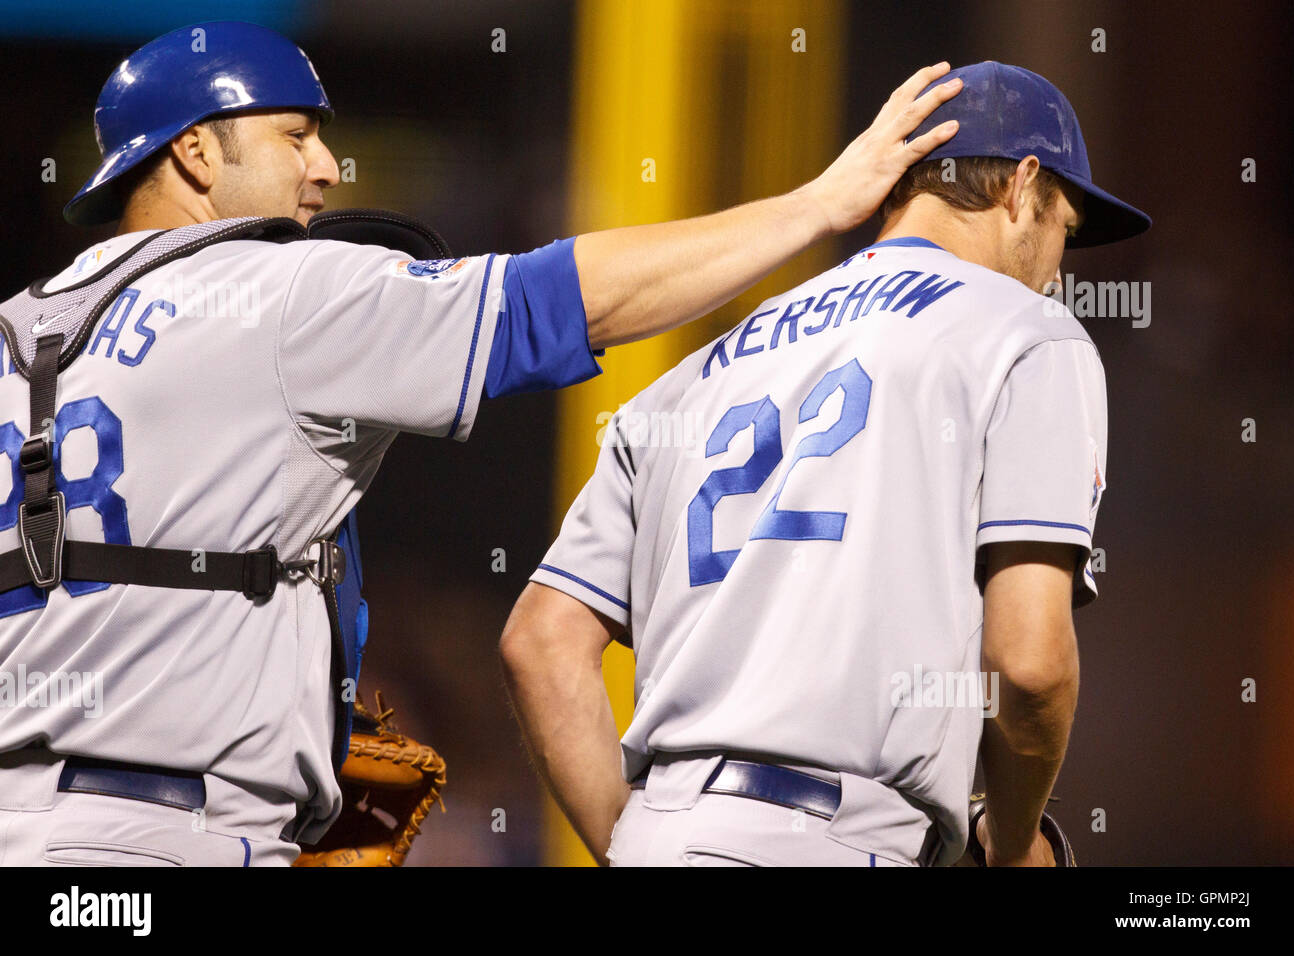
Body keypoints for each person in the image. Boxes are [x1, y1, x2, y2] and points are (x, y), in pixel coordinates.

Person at [0, 19, 962, 866]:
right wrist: (818, 207)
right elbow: (561, 303)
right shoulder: (276, 292)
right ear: (199, 153)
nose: (328, 167)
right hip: (166, 838)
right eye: (295, 135)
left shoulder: (14, 334)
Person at [500, 60, 1151, 867]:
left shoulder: (689, 377)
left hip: (663, 829)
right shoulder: (1024, 334)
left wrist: (638, 843)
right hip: (844, 838)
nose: (1059, 264)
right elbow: (1029, 661)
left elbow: (542, 638)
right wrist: (1014, 848)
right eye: (1066, 228)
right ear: (1022, 186)